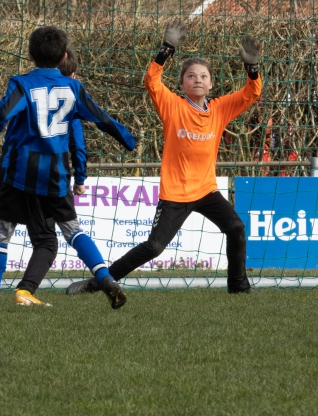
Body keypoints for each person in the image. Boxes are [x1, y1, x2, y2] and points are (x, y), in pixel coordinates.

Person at [66, 20, 262, 298]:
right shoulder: (172, 105)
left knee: (236, 227)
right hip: (175, 193)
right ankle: (99, 282)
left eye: (203, 76)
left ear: (211, 84)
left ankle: (239, 287)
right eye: (191, 76)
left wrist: (252, 69)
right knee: (155, 247)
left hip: (206, 190)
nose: (197, 80)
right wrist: (166, 49)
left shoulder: (220, 109)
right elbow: (152, 81)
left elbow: (251, 93)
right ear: (181, 84)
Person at [0, 26, 136, 311]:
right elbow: (101, 118)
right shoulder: (74, 88)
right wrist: (127, 139)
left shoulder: (22, 84)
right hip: (56, 173)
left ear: (29, 54)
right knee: (72, 230)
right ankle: (104, 276)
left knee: (0, 233)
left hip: (19, 171)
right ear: (64, 56)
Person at [0, 46, 87, 307]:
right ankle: (25, 291)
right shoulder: (67, 101)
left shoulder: (25, 91)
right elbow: (78, 144)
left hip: (7, 171)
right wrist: (80, 178)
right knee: (46, 240)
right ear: (70, 74)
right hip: (44, 175)